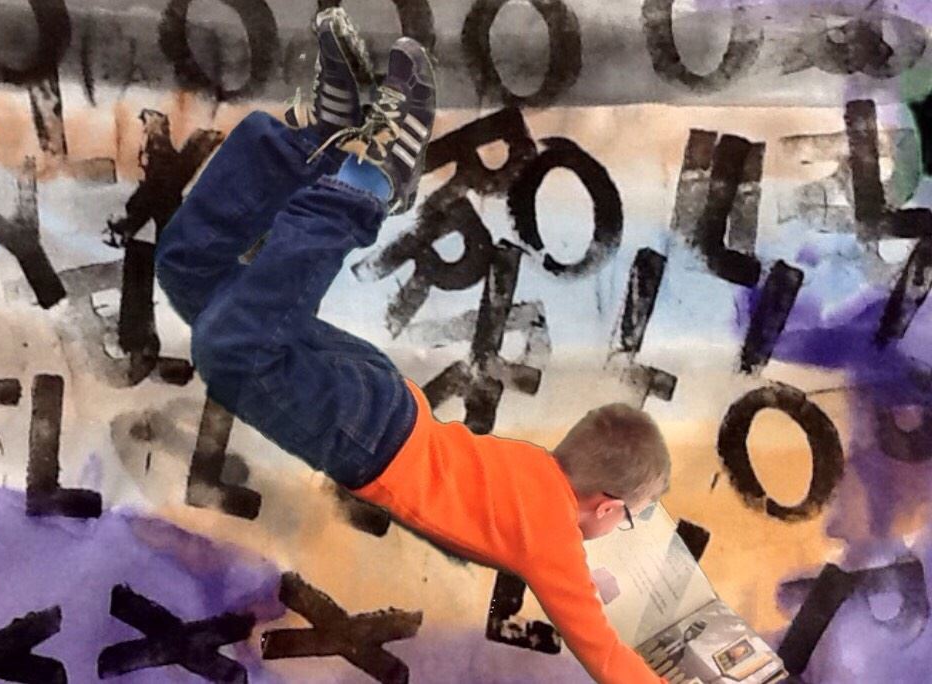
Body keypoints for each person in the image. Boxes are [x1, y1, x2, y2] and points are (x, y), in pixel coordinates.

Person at [154, 7, 672, 683]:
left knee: (192, 275)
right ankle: (370, 182)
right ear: (605, 505)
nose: (616, 528)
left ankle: (317, 136)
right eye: (625, 519)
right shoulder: (550, 540)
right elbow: (603, 652)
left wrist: (583, 577)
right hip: (365, 438)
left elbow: (530, 543)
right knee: (231, 351)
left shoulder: (536, 479)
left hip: (382, 397)